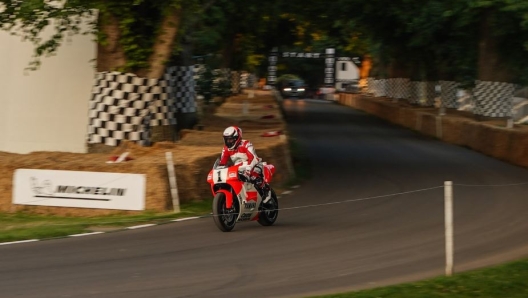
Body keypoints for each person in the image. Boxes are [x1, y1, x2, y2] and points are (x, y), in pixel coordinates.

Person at [219, 126, 271, 201]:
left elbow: (253, 158)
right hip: (238, 168)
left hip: (253, 164)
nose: (228, 142)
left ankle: (265, 189)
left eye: (230, 139)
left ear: (237, 138)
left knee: (253, 176)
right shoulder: (226, 149)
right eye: (227, 140)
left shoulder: (246, 144)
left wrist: (249, 169)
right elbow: (222, 162)